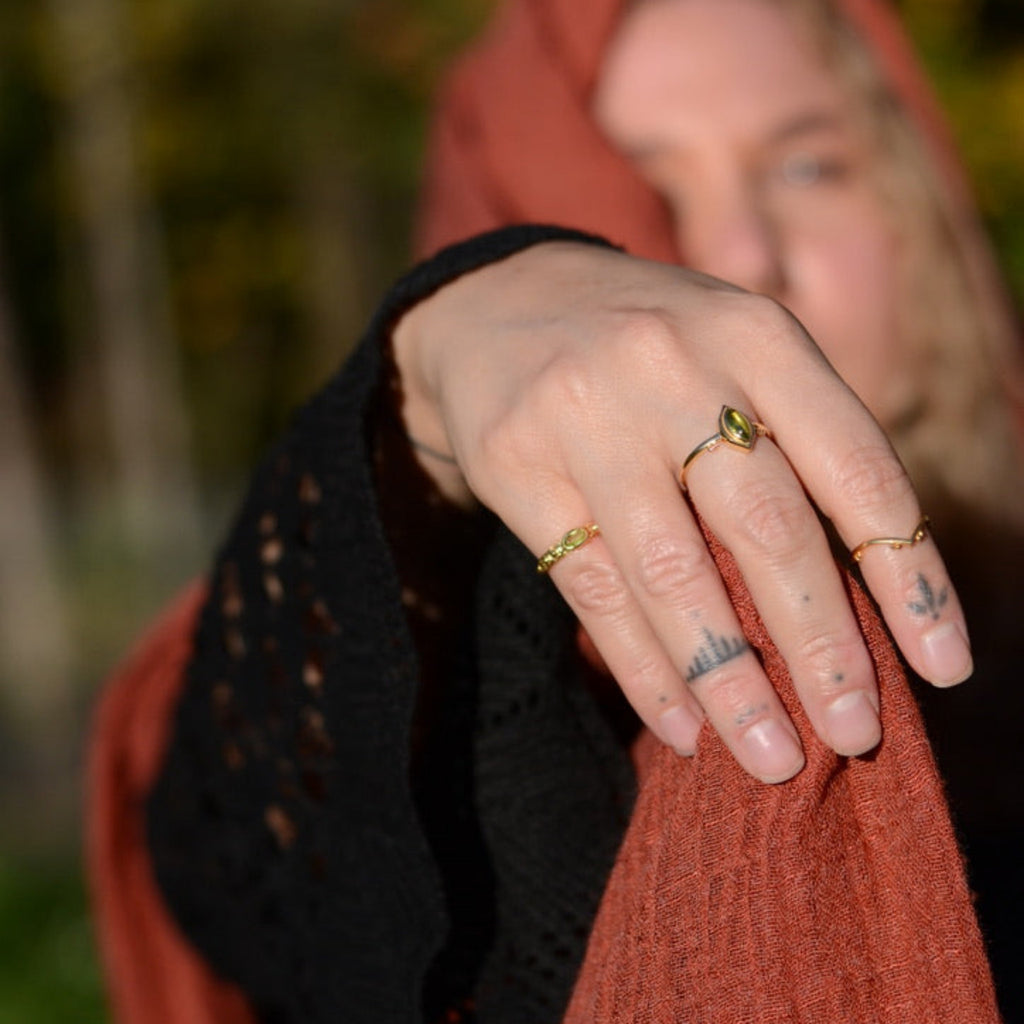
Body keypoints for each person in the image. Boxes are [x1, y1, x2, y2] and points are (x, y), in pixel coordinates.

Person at [88, 0, 1024, 1021]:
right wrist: (440, 352)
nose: (743, 254)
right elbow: (216, 812)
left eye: (808, 166)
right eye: (640, 180)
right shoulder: (468, 666)